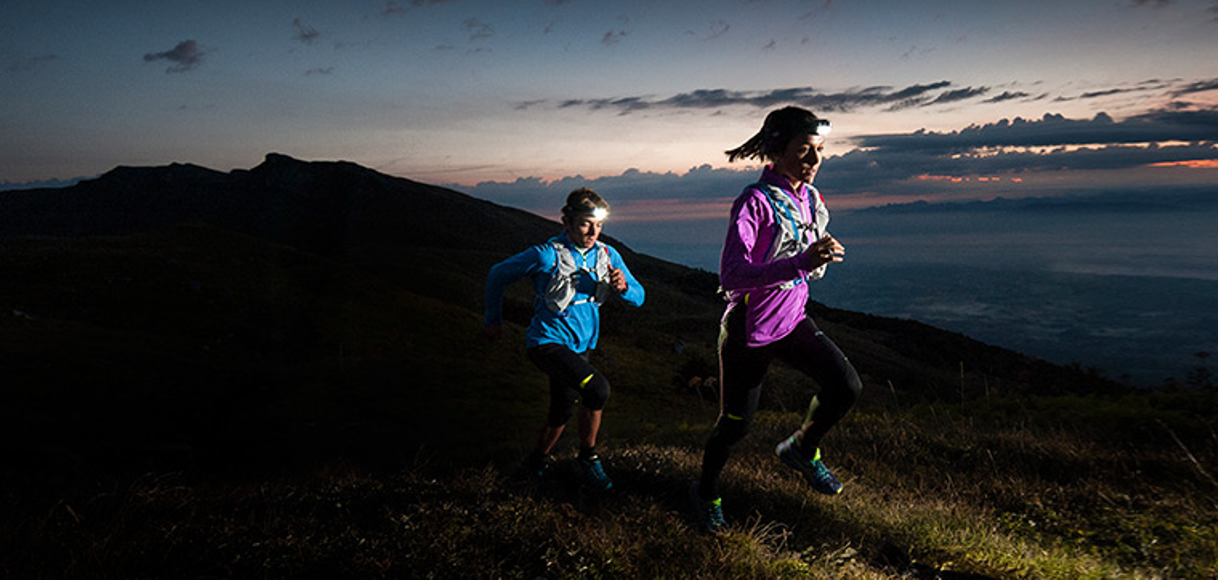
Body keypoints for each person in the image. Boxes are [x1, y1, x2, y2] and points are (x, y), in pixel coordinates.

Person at [690, 107, 863, 533]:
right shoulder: (754, 201)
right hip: (749, 330)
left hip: (792, 320)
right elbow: (731, 276)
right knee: (734, 426)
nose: (814, 160)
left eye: (819, 151)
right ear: (776, 150)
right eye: (804, 151)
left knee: (846, 386)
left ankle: (802, 449)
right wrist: (800, 261)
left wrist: (815, 256)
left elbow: (800, 261)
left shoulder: (810, 198)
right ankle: (706, 493)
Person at [485, 187, 645, 492]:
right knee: (597, 389)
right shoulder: (546, 255)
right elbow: (497, 274)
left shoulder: (608, 255)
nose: (593, 231)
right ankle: (588, 457)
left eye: (598, 224)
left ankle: (533, 465)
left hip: (581, 345)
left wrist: (624, 288)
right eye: (585, 223)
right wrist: (493, 320)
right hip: (546, 342)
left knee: (562, 408)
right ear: (567, 221)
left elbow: (639, 297)